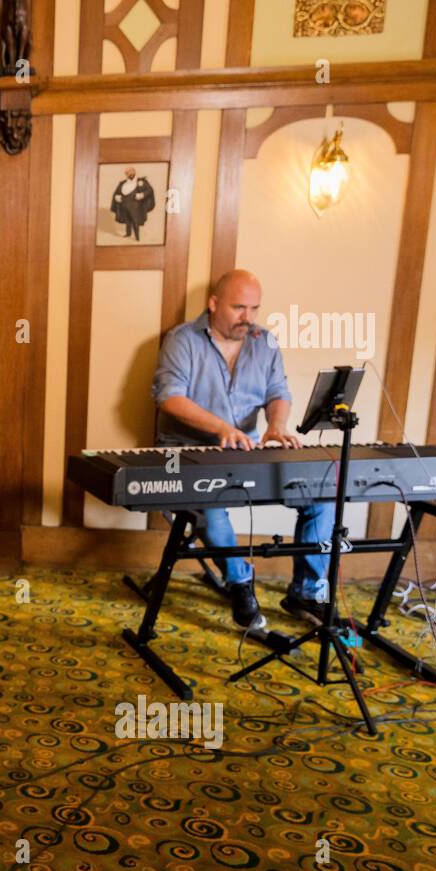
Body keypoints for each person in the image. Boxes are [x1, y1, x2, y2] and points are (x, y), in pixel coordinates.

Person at [151, 269, 333, 628]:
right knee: (211, 503)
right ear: (214, 303)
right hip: (186, 451)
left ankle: (307, 592)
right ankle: (239, 580)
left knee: (322, 495)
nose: (247, 318)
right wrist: (222, 428)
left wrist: (276, 427)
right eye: (238, 308)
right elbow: (169, 398)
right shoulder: (182, 340)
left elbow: (278, 392)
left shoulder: (264, 341)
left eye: (254, 308)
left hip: (244, 449)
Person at [111, 167, 155, 241]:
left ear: (134, 172)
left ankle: (137, 237)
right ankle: (128, 234)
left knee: (135, 220)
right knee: (127, 220)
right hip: (124, 204)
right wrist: (117, 196)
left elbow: (150, 190)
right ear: (126, 174)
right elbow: (117, 192)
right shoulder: (122, 183)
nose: (130, 174)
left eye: (131, 172)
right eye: (128, 173)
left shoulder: (141, 181)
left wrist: (142, 195)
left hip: (135, 205)